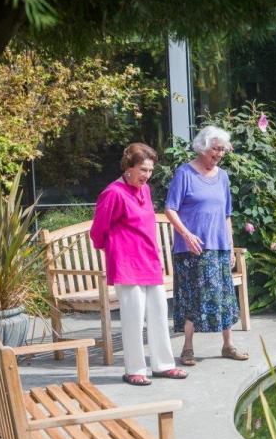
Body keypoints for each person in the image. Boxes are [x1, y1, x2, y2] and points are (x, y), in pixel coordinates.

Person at [90, 143, 188, 386]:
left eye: (150, 170)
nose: (147, 175)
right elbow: (97, 232)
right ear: (128, 168)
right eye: (143, 169)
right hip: (127, 263)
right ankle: (134, 369)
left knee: (159, 314)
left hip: (149, 261)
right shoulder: (113, 193)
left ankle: (163, 365)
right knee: (134, 317)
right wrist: (116, 250)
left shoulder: (144, 190)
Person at [165, 125, 248, 365]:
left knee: (224, 295)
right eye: (215, 149)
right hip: (192, 249)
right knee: (193, 297)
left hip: (219, 246)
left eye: (222, 150)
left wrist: (230, 245)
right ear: (202, 147)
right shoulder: (185, 174)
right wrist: (186, 235)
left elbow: (226, 214)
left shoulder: (222, 176)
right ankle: (187, 348)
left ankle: (228, 345)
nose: (219, 154)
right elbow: (170, 208)